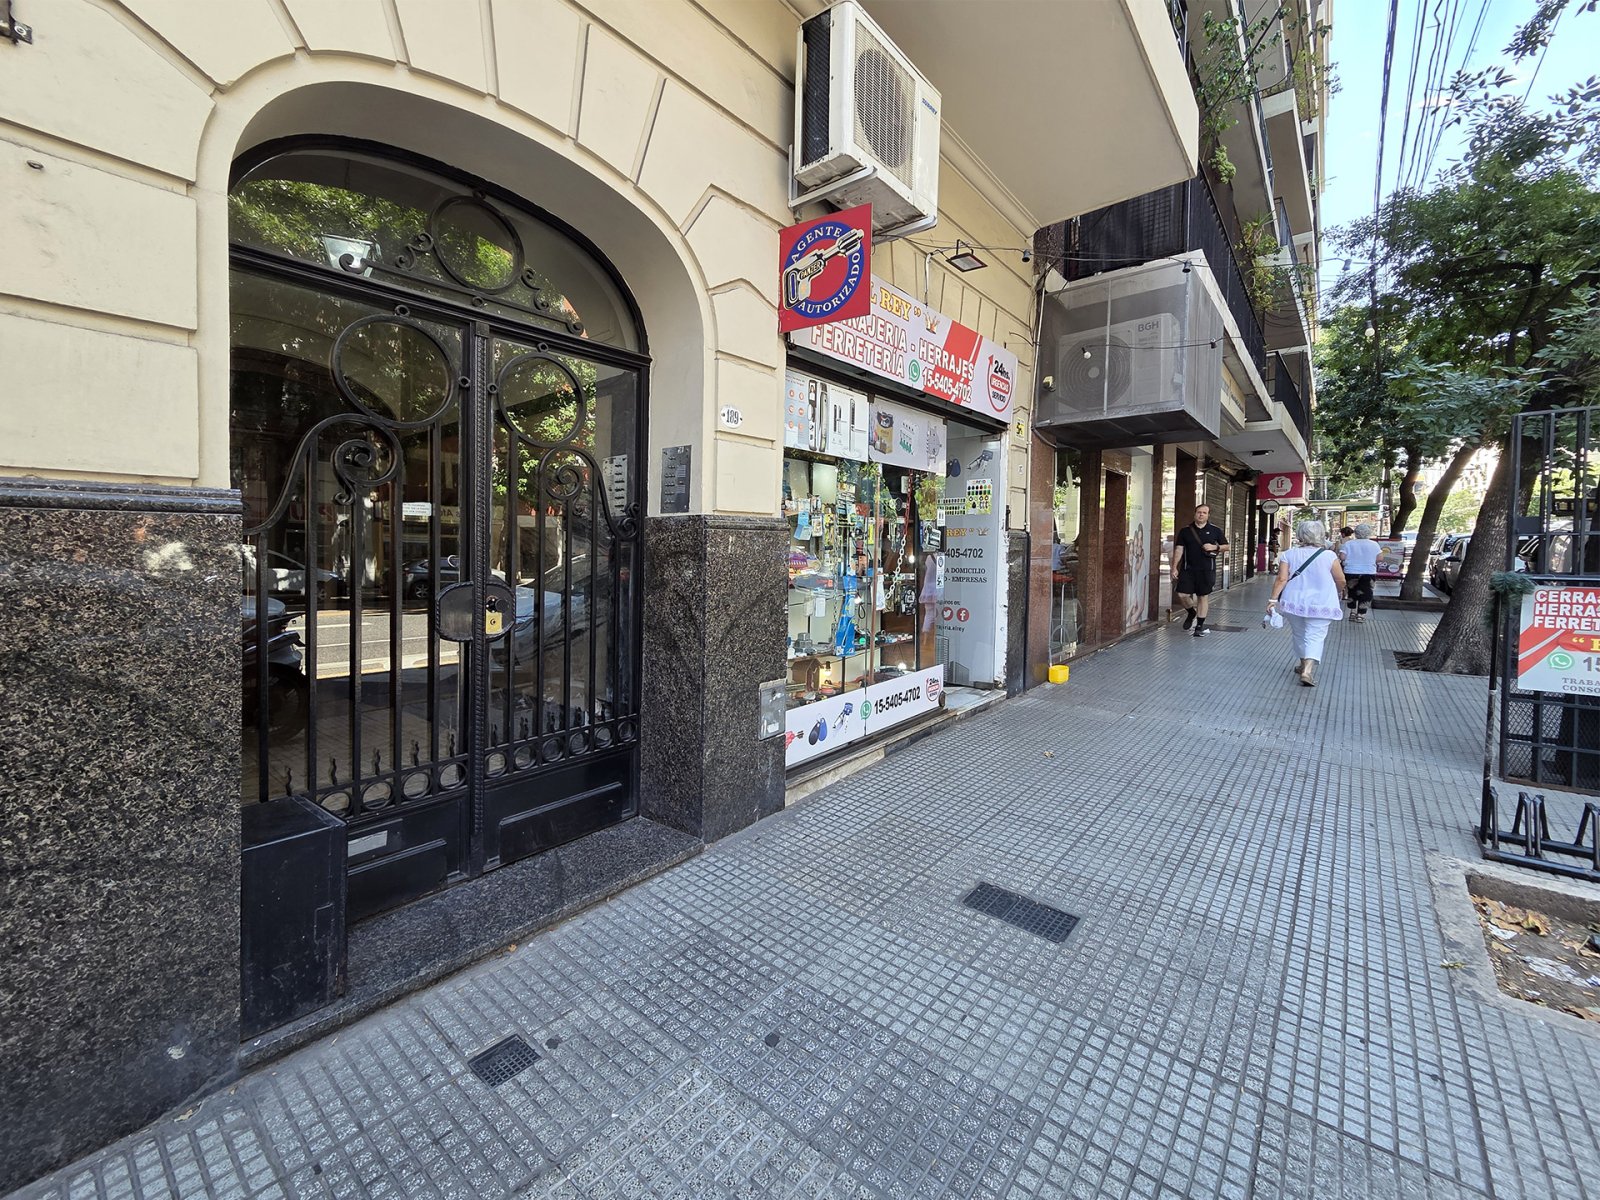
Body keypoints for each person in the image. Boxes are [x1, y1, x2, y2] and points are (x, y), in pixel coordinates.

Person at [1267, 518, 1347, 687]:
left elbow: (1281, 579)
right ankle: (1307, 671)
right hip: (1322, 602)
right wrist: (1338, 591)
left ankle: (1302, 663)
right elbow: (1340, 579)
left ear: (1300, 535)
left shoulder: (1289, 554)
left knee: (1299, 633)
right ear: (1321, 535)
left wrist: (1273, 600)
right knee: (1315, 635)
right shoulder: (1329, 556)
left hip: (1294, 601)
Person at [1172, 503, 1229, 637]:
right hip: (1187, 569)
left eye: (1204, 512)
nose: (1201, 514)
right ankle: (1191, 612)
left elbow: (1226, 546)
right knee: (1182, 594)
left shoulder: (1215, 530)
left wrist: (1214, 547)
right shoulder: (1185, 531)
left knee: (1202, 596)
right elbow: (1179, 549)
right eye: (1199, 512)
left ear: (1208, 515)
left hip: (1207, 570)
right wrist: (1174, 567)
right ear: (1195, 514)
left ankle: (1199, 626)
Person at [1338, 523, 1380, 621]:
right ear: (1369, 533)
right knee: (1366, 592)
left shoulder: (1349, 544)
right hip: (1368, 572)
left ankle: (1352, 612)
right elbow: (1380, 558)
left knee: (1352, 591)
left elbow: (1342, 557)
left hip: (1351, 571)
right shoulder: (1374, 544)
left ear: (1356, 533)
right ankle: (1361, 615)